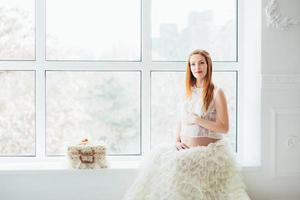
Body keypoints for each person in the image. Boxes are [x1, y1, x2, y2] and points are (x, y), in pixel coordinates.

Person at [123, 49, 250, 200]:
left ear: (208, 65)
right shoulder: (187, 91)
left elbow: (224, 127)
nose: (197, 67)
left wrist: (198, 120)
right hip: (184, 148)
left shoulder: (217, 92)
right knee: (158, 166)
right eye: (193, 64)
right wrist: (177, 140)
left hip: (207, 152)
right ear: (189, 68)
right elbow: (180, 120)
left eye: (201, 63)